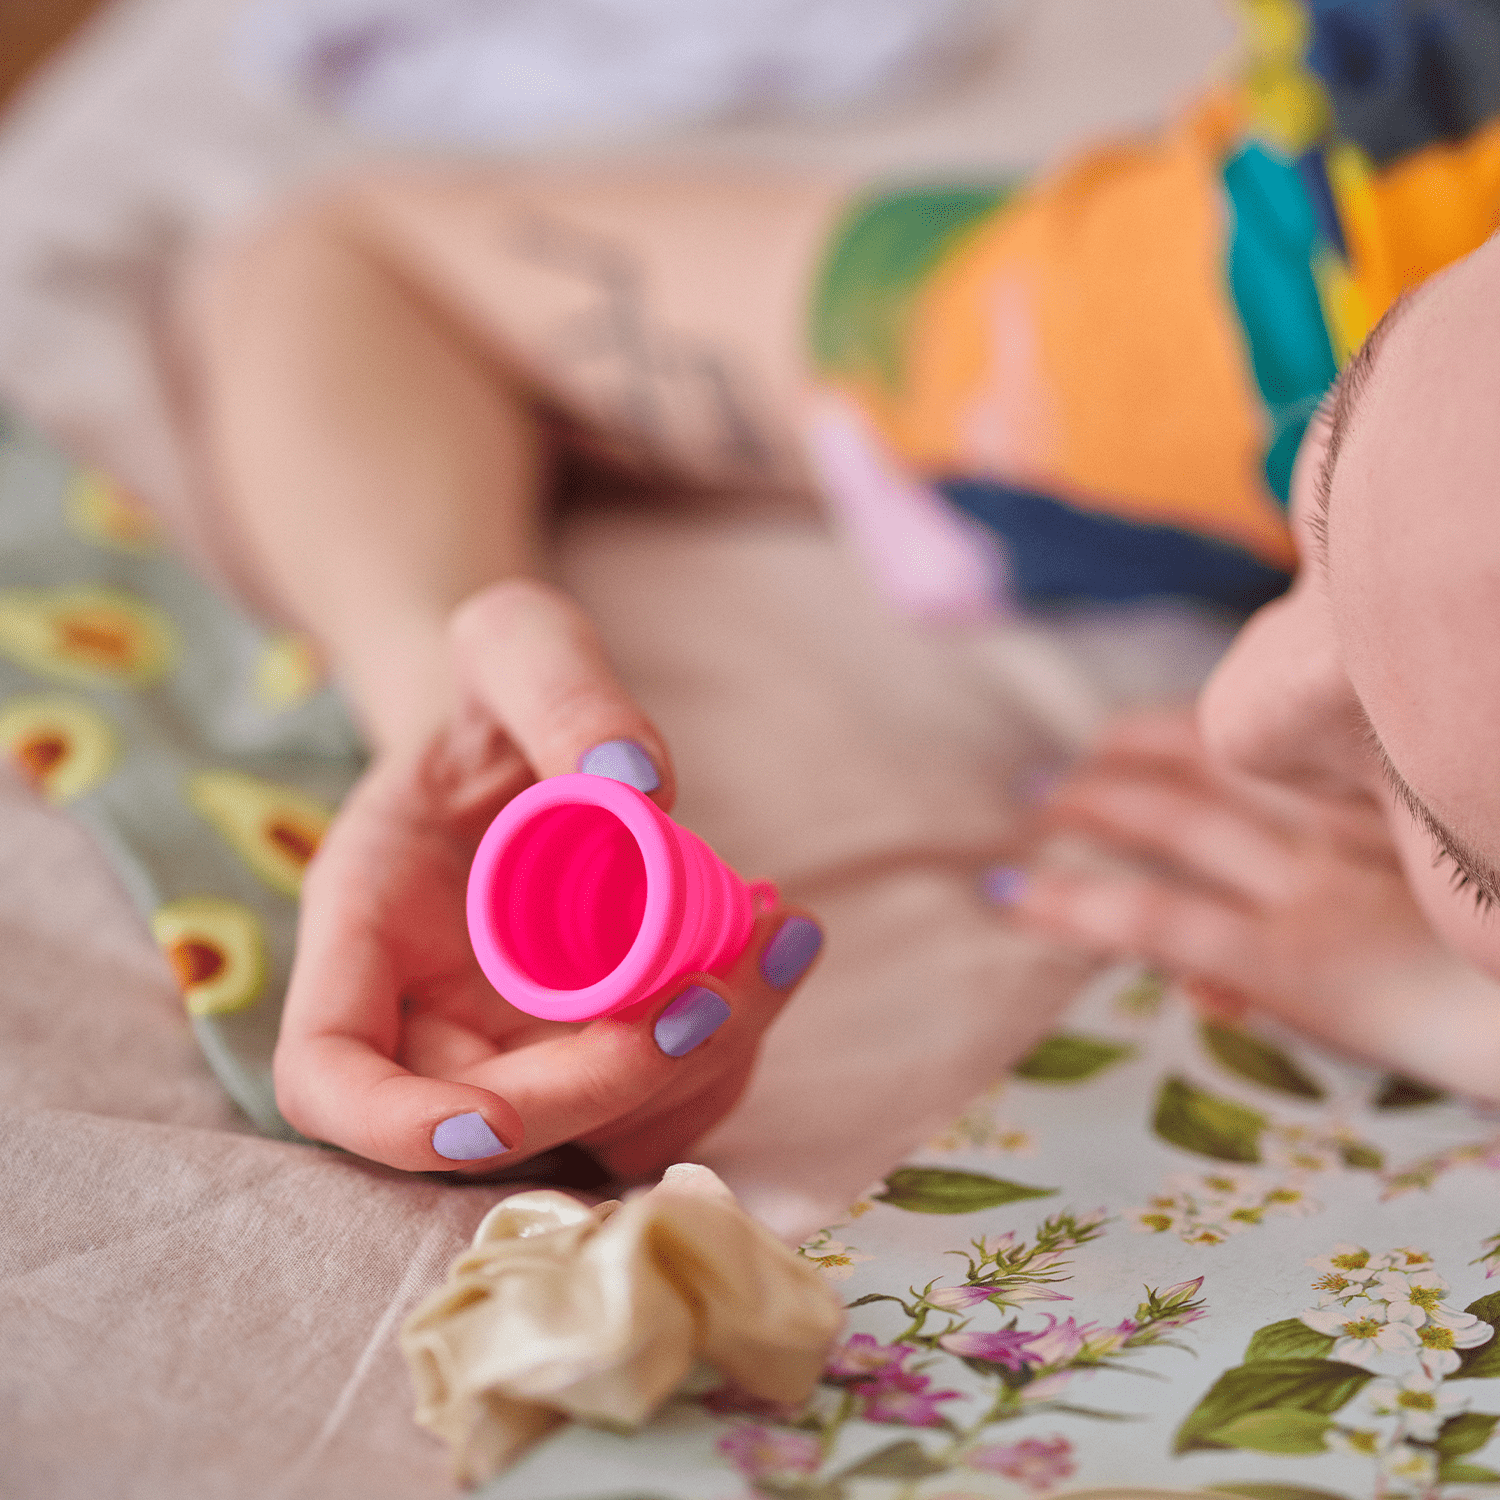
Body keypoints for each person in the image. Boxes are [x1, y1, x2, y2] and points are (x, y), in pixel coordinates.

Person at [175, 0, 1500, 1175]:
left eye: (1464, 850)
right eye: (1333, 459)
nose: (1235, 717)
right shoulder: (1300, 295)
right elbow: (361, 261)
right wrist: (443, 707)